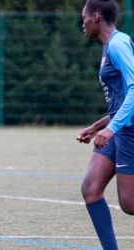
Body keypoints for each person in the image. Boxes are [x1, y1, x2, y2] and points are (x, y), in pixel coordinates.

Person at [77, 0, 134, 249]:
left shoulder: (118, 44)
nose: (83, 24)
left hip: (128, 131)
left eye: (84, 18)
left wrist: (110, 130)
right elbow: (121, 99)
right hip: (118, 129)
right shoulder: (109, 46)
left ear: (97, 16)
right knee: (91, 188)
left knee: (130, 204)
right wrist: (97, 126)